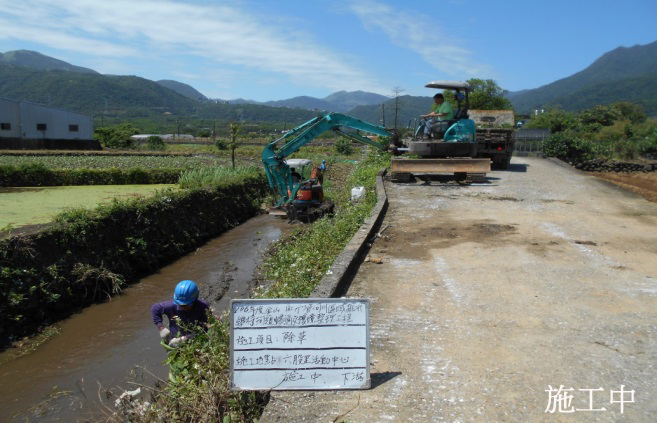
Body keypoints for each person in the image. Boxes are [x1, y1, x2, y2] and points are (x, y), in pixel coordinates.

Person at [151, 280, 210, 348]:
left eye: (185, 305)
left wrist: (184, 339)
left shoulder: (203, 307)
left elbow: (206, 330)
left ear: (195, 300)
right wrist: (161, 328)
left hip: (197, 344)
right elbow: (155, 308)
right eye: (179, 304)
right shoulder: (171, 306)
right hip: (174, 343)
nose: (182, 307)